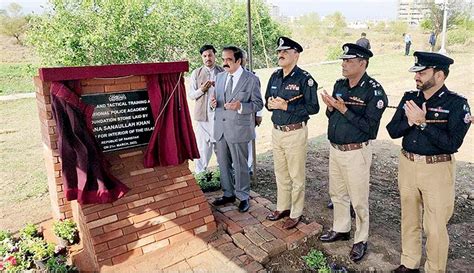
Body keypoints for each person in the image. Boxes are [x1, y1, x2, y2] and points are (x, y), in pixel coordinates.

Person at [387, 52, 471, 272]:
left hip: (437, 169)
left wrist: (423, 123)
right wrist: (410, 120)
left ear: (440, 75)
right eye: (416, 72)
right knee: (409, 218)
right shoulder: (409, 98)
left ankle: (434, 269)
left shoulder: (457, 104)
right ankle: (409, 262)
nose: (417, 77)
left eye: (422, 73)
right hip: (408, 164)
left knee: (434, 227)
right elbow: (392, 130)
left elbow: (452, 143)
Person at [319, 43, 388, 263]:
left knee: (358, 200)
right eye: (343, 60)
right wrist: (330, 108)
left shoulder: (373, 91)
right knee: (337, 194)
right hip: (336, 149)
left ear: (362, 63)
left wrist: (343, 109)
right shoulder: (340, 84)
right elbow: (333, 117)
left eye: (349, 61)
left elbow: (370, 128)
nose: (344, 64)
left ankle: (361, 239)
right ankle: (341, 229)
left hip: (356, 152)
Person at [265, 36, 320, 229]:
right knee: (280, 173)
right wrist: (271, 105)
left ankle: (295, 213)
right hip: (276, 131)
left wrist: (287, 106)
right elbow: (267, 101)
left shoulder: (305, 79)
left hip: (295, 132)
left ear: (296, 55)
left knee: (296, 176)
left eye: (285, 52)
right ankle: (282, 207)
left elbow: (314, 108)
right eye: (279, 52)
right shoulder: (274, 76)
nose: (280, 55)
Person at [210, 46, 263, 213]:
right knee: (223, 163)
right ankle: (228, 193)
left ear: (238, 61)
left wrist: (241, 106)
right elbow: (217, 100)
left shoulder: (251, 79)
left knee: (240, 165)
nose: (225, 63)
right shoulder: (219, 77)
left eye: (229, 60)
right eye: (223, 60)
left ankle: (243, 196)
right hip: (220, 129)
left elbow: (258, 104)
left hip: (239, 129)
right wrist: (213, 104)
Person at [188, 45, 224, 174]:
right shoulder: (196, 73)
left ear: (215, 56)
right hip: (203, 118)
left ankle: (224, 177)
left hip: (220, 116)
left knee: (221, 149)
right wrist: (202, 90)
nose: (207, 58)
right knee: (203, 149)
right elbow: (191, 95)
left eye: (210, 55)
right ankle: (200, 176)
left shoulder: (223, 72)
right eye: (204, 56)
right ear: (201, 58)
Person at [241, 49, 263, 176]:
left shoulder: (253, 76)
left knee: (250, 141)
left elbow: (258, 97)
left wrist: (259, 115)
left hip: (250, 114)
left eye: (243, 58)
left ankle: (249, 166)